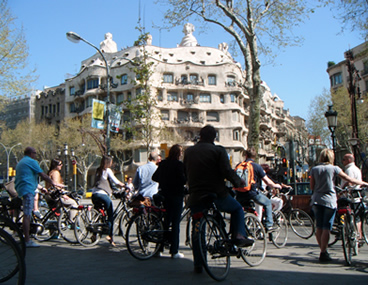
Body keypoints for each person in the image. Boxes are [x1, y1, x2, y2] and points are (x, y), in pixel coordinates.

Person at [184, 125, 254, 274]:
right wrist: (238, 182)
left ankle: (198, 263)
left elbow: (185, 172)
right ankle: (239, 235)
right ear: (213, 137)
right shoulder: (218, 150)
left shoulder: (189, 152)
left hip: (196, 196)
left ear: (200, 136)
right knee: (236, 209)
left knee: (197, 229)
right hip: (216, 193)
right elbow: (226, 171)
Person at [310, 149, 368, 262]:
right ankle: (323, 251)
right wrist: (363, 183)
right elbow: (348, 179)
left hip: (316, 200)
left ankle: (323, 250)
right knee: (327, 227)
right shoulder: (334, 168)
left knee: (319, 227)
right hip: (329, 201)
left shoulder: (314, 169)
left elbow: (312, 187)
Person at [15, 147, 64, 248]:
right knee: (27, 215)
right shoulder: (32, 162)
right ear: (31, 154)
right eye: (35, 153)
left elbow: (28, 178)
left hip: (22, 188)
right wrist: (54, 183)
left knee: (28, 213)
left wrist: (41, 188)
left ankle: (28, 234)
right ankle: (27, 240)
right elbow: (43, 175)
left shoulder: (21, 162)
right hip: (28, 190)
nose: (36, 155)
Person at [235, 147, 282, 232]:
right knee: (267, 203)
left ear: (246, 155)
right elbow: (267, 181)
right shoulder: (257, 166)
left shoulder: (239, 165)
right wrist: (276, 185)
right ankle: (269, 225)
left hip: (239, 194)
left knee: (237, 210)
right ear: (255, 157)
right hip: (251, 193)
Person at [152, 144, 186, 259]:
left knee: (164, 222)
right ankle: (174, 250)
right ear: (178, 154)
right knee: (175, 223)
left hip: (164, 195)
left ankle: (159, 248)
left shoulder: (163, 164)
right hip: (176, 195)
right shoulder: (179, 165)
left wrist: (164, 181)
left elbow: (155, 177)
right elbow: (183, 179)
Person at [91, 155, 125, 247]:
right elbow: (116, 181)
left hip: (94, 195)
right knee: (110, 215)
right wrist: (124, 185)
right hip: (102, 194)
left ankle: (94, 234)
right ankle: (110, 236)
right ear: (108, 162)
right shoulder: (107, 170)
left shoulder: (98, 170)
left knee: (99, 214)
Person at [340, 153, 364, 245]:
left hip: (350, 197)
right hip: (357, 197)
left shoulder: (349, 170)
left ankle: (354, 238)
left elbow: (349, 182)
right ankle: (359, 237)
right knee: (357, 218)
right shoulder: (357, 169)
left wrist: (342, 191)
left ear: (349, 160)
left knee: (350, 218)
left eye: (344, 159)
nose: (342, 161)